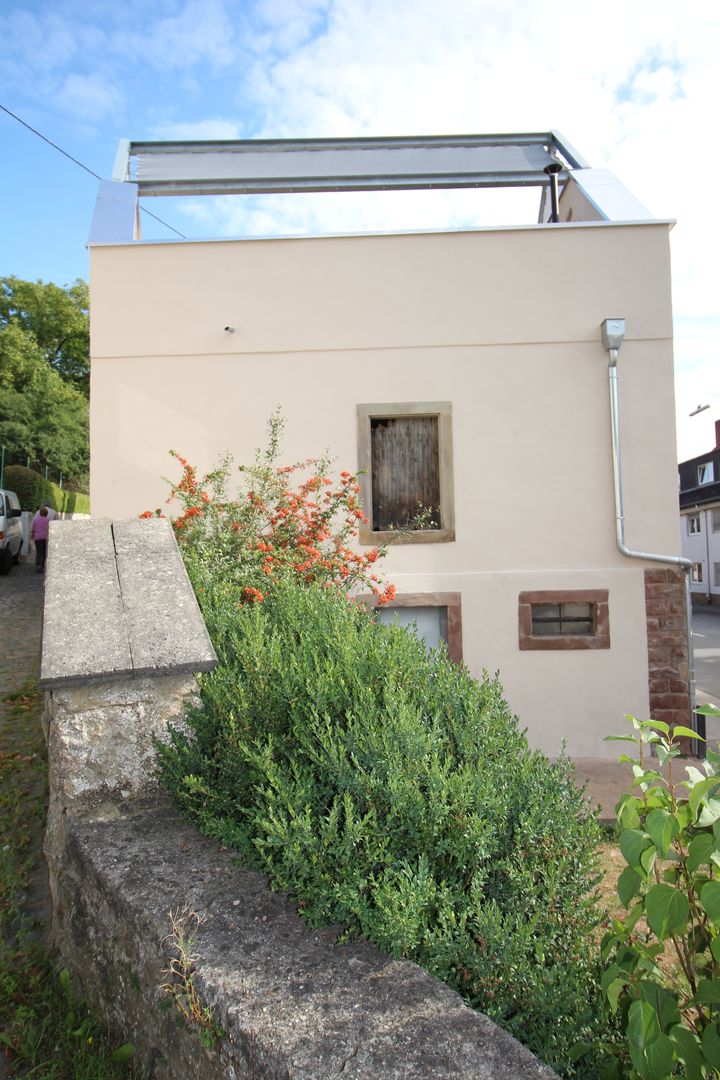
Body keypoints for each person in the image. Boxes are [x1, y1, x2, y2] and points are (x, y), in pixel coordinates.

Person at [30, 505, 51, 573]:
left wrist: (32, 536)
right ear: (46, 513)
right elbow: (49, 529)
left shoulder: (35, 520)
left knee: (39, 552)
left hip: (37, 538)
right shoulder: (48, 521)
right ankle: (43, 565)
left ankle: (38, 566)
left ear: (40, 513)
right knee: (44, 552)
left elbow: (33, 529)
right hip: (45, 538)